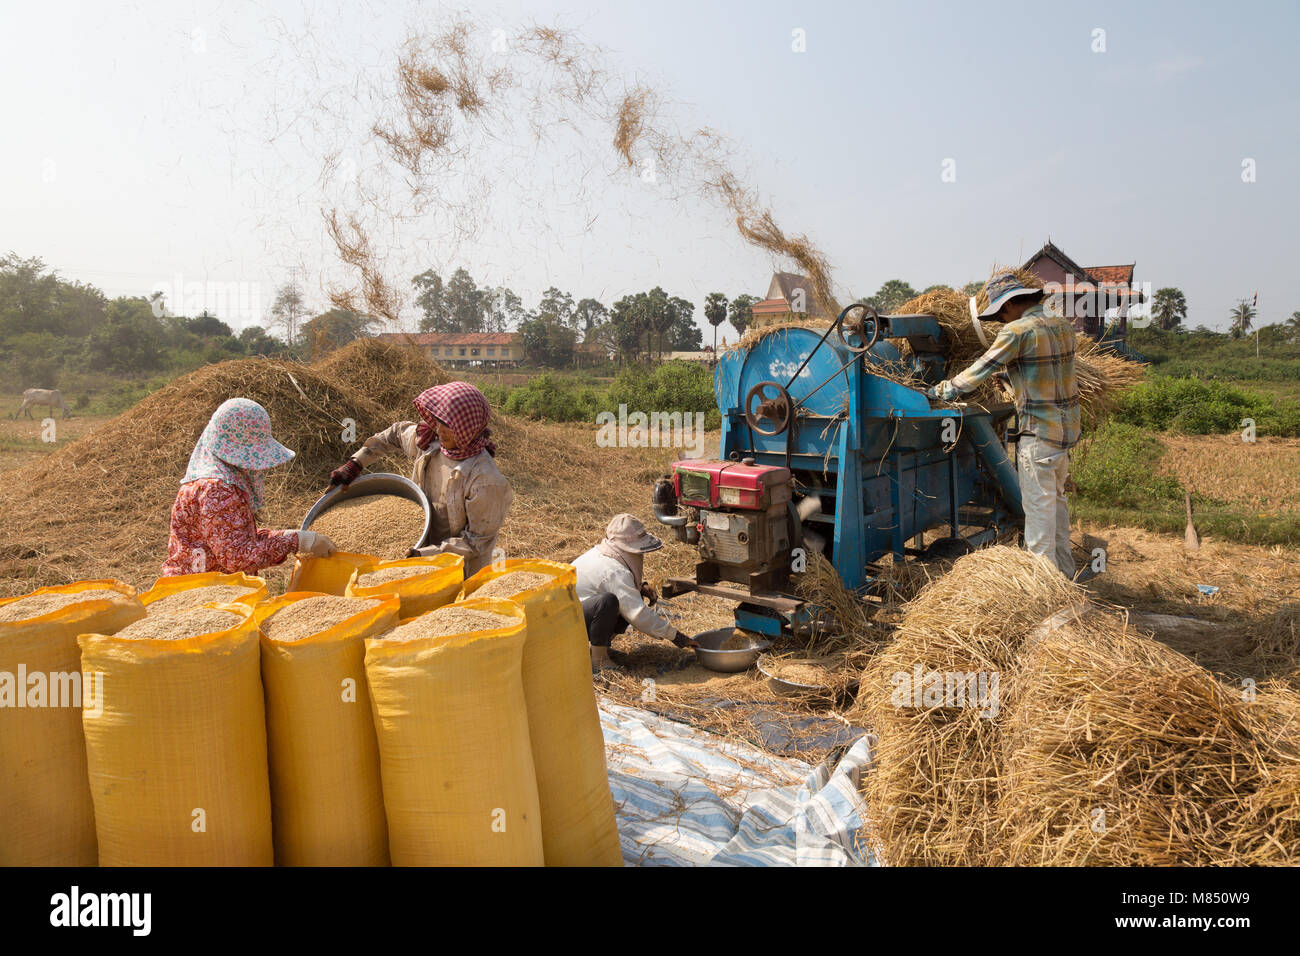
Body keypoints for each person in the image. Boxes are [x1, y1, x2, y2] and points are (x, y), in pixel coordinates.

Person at [928, 271, 1081, 578]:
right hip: (1064, 435)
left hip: (1038, 436)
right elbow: (1048, 372)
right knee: (1057, 509)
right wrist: (1014, 379)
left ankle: (1043, 590)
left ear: (1011, 305)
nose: (1000, 319)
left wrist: (941, 390)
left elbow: (980, 369)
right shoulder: (1063, 327)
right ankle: (1066, 575)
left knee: (1038, 517)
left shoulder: (1017, 332)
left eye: (1000, 312)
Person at [330, 381, 512, 577]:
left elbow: (476, 541)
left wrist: (425, 555)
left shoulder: (484, 479)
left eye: (448, 425)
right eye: (439, 421)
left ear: (467, 428)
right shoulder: (430, 441)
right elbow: (395, 434)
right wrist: (355, 464)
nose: (440, 430)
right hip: (418, 547)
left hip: (460, 568)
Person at [161, 398, 336, 576]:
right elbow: (236, 557)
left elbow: (230, 535)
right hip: (204, 592)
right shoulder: (216, 489)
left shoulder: (211, 481)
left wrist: (284, 535)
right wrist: (296, 541)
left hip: (209, 585)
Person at [572, 513, 698, 671]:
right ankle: (599, 660)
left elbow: (623, 590)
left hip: (576, 614)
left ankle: (598, 648)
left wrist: (641, 587)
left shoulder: (606, 554)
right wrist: (676, 637)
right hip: (566, 625)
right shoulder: (613, 571)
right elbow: (637, 614)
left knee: (627, 598)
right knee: (608, 602)